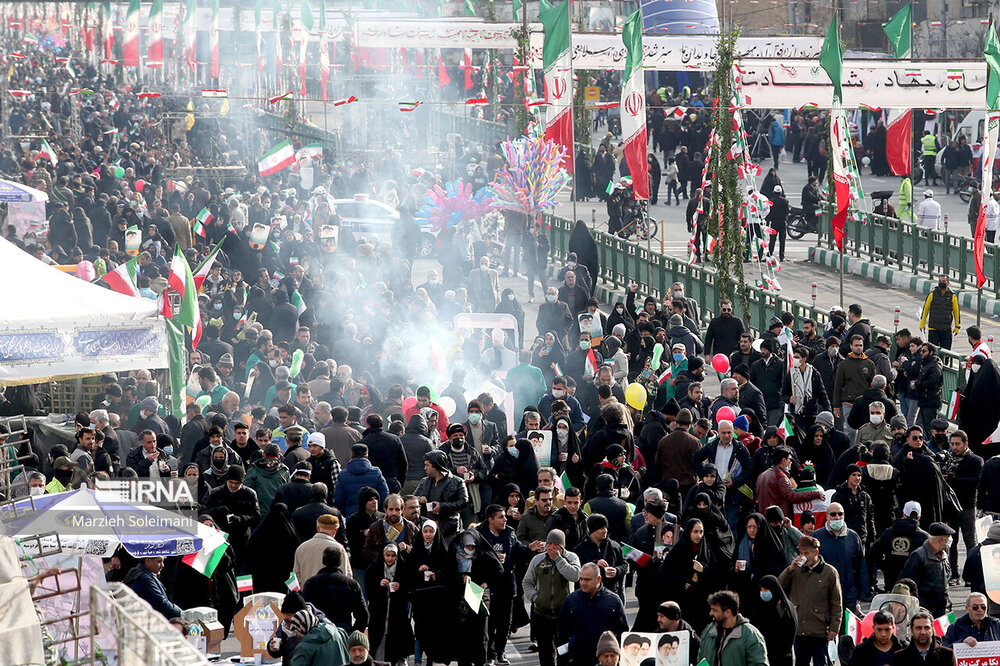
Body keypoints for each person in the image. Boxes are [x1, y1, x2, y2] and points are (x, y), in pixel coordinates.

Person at [778, 535, 842, 666]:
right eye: (801, 553)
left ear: (816, 552)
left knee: (822, 663)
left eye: (806, 553)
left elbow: (836, 603)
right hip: (799, 628)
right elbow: (779, 587)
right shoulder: (795, 571)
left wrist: (834, 627)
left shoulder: (829, 572)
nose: (803, 556)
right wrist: (789, 569)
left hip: (820, 630)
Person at [524, 529, 583, 666]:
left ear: (562, 546)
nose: (551, 547)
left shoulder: (572, 557)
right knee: (545, 655)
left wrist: (558, 559)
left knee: (564, 653)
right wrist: (535, 598)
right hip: (542, 614)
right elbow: (527, 582)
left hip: (565, 615)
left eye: (555, 544)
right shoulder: (538, 559)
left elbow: (574, 576)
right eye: (549, 543)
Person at [557, 562, 628, 666]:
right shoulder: (571, 600)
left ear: (598, 579)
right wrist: (566, 657)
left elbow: (622, 631)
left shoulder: (613, 601)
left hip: (604, 660)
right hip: (577, 659)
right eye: (581, 579)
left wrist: (615, 657)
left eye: (587, 579)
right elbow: (562, 631)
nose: (583, 583)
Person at [364, 543, 414, 664]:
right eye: (387, 555)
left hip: (397, 612)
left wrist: (400, 587)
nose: (390, 558)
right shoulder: (375, 568)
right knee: (378, 642)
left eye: (393, 555)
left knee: (396, 641)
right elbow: (369, 589)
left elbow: (409, 589)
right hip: (379, 611)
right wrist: (379, 584)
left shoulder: (402, 567)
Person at [301, 547, 368, 634]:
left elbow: (303, 611)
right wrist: (352, 634)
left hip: (317, 634)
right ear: (340, 562)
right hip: (343, 633)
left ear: (323, 561)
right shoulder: (352, 585)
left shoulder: (311, 583)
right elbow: (363, 615)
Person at [945, 430, 983, 581]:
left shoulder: (975, 460)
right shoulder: (948, 459)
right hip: (951, 506)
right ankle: (954, 574)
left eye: (957, 444)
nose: (954, 447)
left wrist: (956, 479)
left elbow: (977, 482)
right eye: (952, 444)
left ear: (965, 444)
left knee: (970, 543)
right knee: (951, 542)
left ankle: (971, 575)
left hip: (967, 505)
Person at [696, 590, 768, 666]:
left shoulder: (750, 635)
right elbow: (701, 660)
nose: (711, 613)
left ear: (727, 612)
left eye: (715, 610)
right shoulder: (708, 632)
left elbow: (759, 663)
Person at [899, 522, 953, 617]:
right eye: (948, 537)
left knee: (951, 630)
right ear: (941, 539)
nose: (950, 540)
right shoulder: (918, 556)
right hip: (926, 612)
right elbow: (907, 583)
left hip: (945, 609)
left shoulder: (945, 553)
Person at [748, 575, 796, 666]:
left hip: (781, 657)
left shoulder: (786, 610)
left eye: (766, 590)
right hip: (762, 656)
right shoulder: (760, 609)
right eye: (761, 590)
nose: (763, 593)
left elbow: (788, 635)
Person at [294, 513, 352, 583]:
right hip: (331, 592)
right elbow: (346, 575)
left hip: (307, 591)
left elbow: (295, 576)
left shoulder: (302, 547)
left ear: (318, 528)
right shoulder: (338, 549)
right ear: (335, 530)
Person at [286, 607, 351, 666]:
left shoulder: (304, 647)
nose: (297, 634)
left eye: (297, 630)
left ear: (302, 628)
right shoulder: (339, 632)